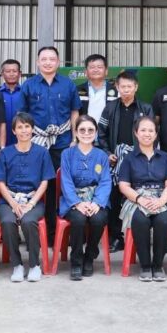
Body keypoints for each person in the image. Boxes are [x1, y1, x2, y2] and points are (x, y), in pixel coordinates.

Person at [19, 46, 80, 239]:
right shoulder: (28, 85)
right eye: (43, 59)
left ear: (58, 62)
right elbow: (22, 116)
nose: (47, 62)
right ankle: (37, 231)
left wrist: (74, 139)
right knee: (37, 185)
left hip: (63, 142)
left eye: (52, 59)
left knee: (60, 185)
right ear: (37, 62)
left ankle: (59, 233)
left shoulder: (68, 85)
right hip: (36, 143)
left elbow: (75, 112)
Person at [0, 112, 55, 282]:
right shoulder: (5, 153)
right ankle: (17, 265)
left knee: (29, 221)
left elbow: (44, 182)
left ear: (33, 129)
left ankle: (34, 265)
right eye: (20, 127)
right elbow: (0, 183)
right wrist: (13, 203)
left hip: (33, 200)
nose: (24, 130)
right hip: (8, 200)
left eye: (27, 126)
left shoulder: (42, 153)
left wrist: (31, 203)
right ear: (14, 131)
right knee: (7, 221)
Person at [96, 70, 153, 251]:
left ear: (136, 87)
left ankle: (136, 236)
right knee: (114, 197)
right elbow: (101, 133)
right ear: (117, 87)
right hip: (115, 160)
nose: (126, 90)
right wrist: (107, 153)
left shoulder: (146, 109)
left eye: (130, 86)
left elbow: (152, 134)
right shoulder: (110, 108)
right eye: (123, 86)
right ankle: (116, 237)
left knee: (136, 196)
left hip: (138, 160)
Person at [117, 116, 167, 282]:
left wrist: (161, 200)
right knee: (140, 220)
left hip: (162, 197)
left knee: (163, 220)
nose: (147, 134)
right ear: (136, 133)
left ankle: (158, 265)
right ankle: (145, 265)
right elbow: (123, 185)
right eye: (143, 130)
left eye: (151, 130)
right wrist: (140, 199)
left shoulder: (164, 157)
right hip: (137, 198)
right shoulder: (129, 158)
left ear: (156, 134)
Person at [59, 115, 112, 280]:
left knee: (98, 219)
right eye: (82, 130)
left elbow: (105, 181)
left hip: (96, 198)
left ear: (96, 133)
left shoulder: (101, 155)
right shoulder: (67, 154)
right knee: (78, 219)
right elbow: (66, 181)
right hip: (73, 200)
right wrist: (77, 203)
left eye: (90, 130)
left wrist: (97, 202)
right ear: (75, 132)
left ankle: (89, 256)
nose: (86, 133)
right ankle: (76, 261)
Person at [77, 54, 116, 123]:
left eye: (99, 67)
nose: (96, 70)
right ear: (86, 71)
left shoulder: (116, 91)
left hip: (109, 129)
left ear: (106, 71)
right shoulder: (77, 90)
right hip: (85, 129)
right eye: (92, 67)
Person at [0, 59, 24, 146]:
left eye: (14, 71)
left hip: (22, 138)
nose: (11, 74)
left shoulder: (25, 93)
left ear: (20, 74)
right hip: (1, 140)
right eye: (8, 71)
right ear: (2, 74)